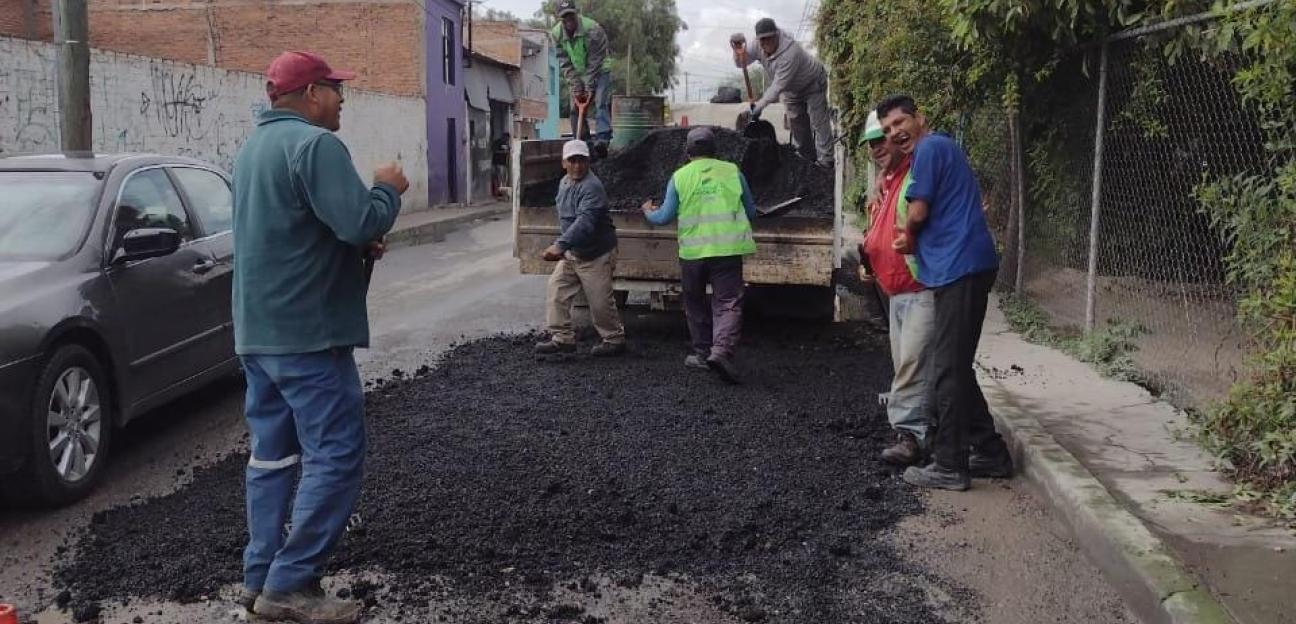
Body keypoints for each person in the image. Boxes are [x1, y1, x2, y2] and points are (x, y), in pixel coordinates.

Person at [231, 50, 409, 623]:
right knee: (335, 454)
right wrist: (387, 190)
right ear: (310, 94)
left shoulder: (252, 150)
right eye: (336, 91)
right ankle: (290, 583)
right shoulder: (315, 145)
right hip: (308, 336)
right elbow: (361, 219)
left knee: (272, 457)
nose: (341, 102)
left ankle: (257, 576)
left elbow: (297, 232)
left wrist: (353, 245)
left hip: (258, 335)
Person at [878, 94, 1013, 491]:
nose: (895, 133)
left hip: (961, 267)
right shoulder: (938, 148)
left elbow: (918, 211)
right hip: (961, 267)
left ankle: (950, 464)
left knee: (947, 369)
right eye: (887, 129)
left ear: (920, 119)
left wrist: (908, 237)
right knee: (954, 364)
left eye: (901, 122)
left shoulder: (931, 148)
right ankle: (990, 451)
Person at [641, 127, 759, 383]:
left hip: (693, 254)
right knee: (728, 302)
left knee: (694, 302)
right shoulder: (733, 172)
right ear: (715, 150)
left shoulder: (680, 177)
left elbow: (663, 217)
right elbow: (751, 212)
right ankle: (721, 351)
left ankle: (702, 353)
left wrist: (647, 211)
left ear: (688, 151)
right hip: (728, 250)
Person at [858, 110, 932, 467]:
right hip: (897, 289)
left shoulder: (915, 174)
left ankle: (910, 436)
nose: (876, 149)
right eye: (872, 143)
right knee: (908, 361)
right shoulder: (887, 182)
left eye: (881, 140)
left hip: (921, 284)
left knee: (912, 363)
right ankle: (926, 430)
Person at [535, 139, 626, 356]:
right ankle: (562, 338)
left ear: (588, 162)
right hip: (573, 252)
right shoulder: (565, 183)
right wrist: (565, 247)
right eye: (572, 161)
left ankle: (614, 339)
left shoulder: (592, 187)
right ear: (563, 163)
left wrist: (559, 245)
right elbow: (567, 219)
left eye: (582, 161)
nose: (577, 166)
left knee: (599, 302)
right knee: (556, 291)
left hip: (596, 253)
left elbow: (585, 222)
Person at [730, 18, 834, 169]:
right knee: (797, 123)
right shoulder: (756, 44)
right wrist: (736, 51)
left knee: (818, 121)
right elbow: (741, 63)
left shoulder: (790, 52)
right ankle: (807, 160)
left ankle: (826, 161)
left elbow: (778, 86)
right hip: (791, 90)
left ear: (776, 34)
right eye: (762, 40)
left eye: (769, 38)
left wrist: (759, 106)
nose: (766, 43)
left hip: (812, 83)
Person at [551, 0, 612, 156]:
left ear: (576, 13)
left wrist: (590, 86)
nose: (569, 21)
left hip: (599, 69)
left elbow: (595, 60)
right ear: (560, 19)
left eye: (571, 16)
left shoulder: (593, 30)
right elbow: (564, 61)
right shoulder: (556, 34)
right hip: (578, 73)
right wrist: (576, 85)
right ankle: (584, 144)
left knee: (600, 102)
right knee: (575, 110)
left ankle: (602, 139)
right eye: (565, 18)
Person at [492, 132, 511, 198]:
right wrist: (503, 152)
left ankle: (500, 193)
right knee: (499, 178)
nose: (507, 140)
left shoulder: (506, 144)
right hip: (498, 162)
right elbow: (494, 151)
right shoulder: (498, 142)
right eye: (507, 138)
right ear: (504, 137)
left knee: (502, 179)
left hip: (503, 163)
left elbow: (509, 150)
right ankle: (498, 192)